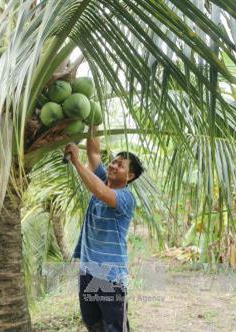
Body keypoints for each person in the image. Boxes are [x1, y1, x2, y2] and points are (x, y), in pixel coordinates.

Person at [65, 126, 144, 332]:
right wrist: (93, 122)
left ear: (130, 176)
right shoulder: (102, 178)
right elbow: (93, 153)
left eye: (121, 165)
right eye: (114, 161)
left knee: (115, 328)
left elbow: (99, 192)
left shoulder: (126, 198)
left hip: (110, 277)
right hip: (88, 270)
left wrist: (76, 161)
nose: (114, 165)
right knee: (94, 325)